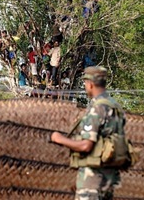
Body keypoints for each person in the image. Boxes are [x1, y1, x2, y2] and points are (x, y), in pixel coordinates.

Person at [51, 66, 125, 200]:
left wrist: (59, 139)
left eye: (85, 83)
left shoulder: (97, 108)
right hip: (108, 178)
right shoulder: (114, 106)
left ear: (90, 84)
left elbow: (86, 145)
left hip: (92, 180)